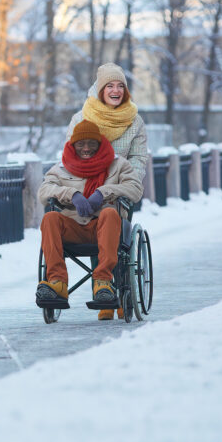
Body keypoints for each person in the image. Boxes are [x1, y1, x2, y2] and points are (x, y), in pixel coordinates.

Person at [35, 119, 144, 314]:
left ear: (100, 143)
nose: (86, 148)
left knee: (110, 213)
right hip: (74, 227)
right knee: (50, 218)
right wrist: (72, 195)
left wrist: (104, 193)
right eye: (81, 144)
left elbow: (135, 190)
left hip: (106, 228)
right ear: (73, 145)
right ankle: (57, 282)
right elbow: (43, 192)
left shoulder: (118, 165)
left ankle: (103, 282)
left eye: (91, 143)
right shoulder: (61, 168)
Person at [67, 62, 147, 319]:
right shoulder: (82, 118)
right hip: (88, 185)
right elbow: (71, 154)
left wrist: (122, 184)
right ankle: (103, 294)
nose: (115, 90)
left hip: (120, 189)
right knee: (93, 237)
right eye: (110, 86)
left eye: (120, 86)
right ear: (100, 89)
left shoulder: (134, 120)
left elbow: (138, 158)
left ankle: (122, 291)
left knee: (117, 239)